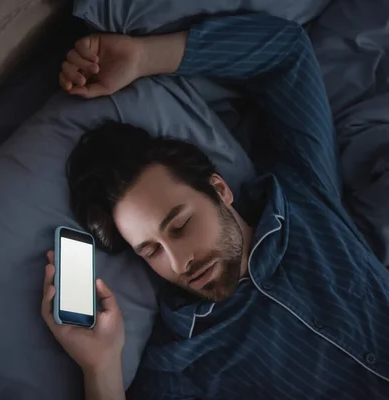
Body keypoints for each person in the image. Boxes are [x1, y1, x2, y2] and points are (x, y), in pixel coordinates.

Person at [41, 13, 389, 400]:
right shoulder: (179, 360)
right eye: (151, 250)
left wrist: (143, 58)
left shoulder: (303, 195)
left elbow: (286, 54)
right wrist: (100, 367)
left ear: (219, 189)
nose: (178, 263)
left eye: (179, 225)